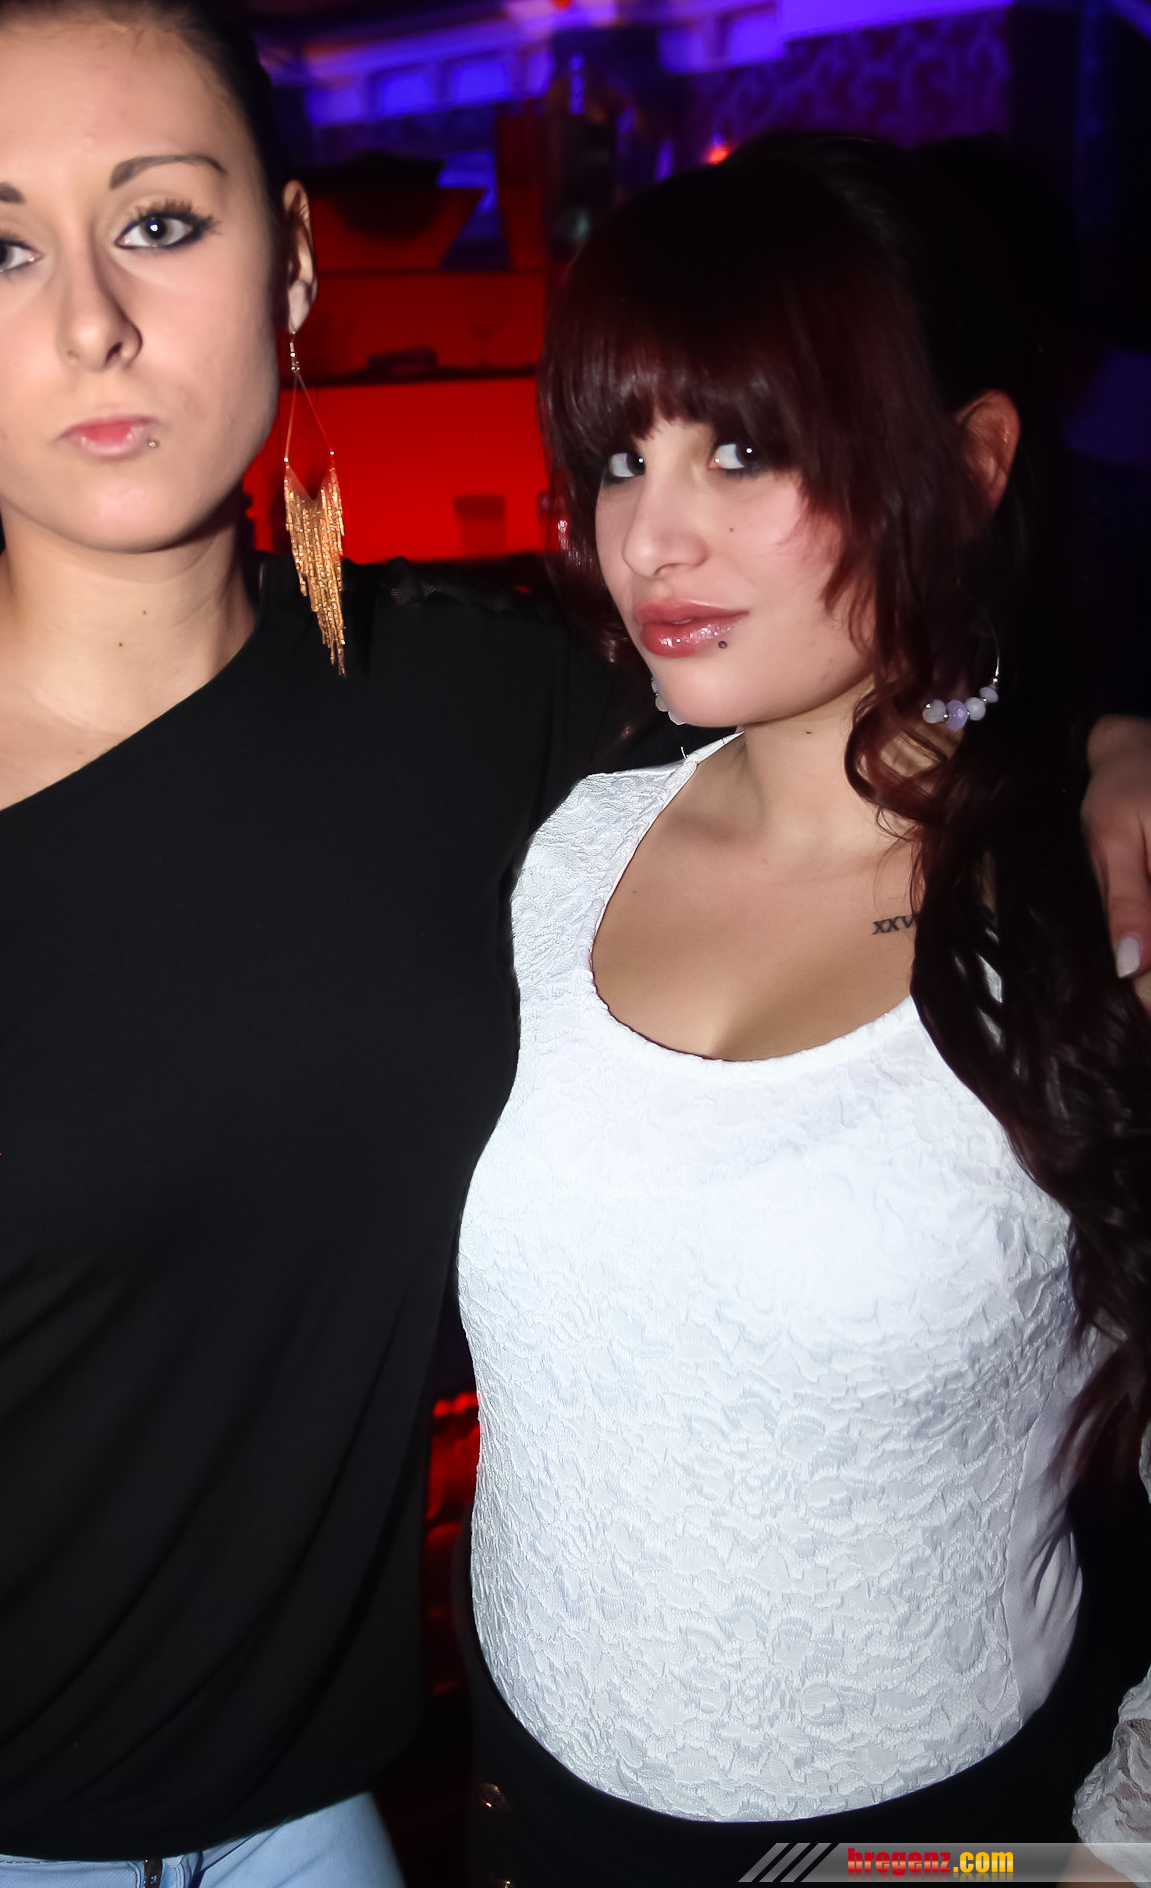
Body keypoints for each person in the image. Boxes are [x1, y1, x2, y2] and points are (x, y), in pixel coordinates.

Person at [0, 0, 1147, 1888]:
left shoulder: (487, 718)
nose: (88, 324)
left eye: (157, 222)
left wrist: (1104, 753)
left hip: (311, 1823)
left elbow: (854, 718)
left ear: (292, 263)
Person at [456, 132, 1151, 1887]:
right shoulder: (565, 852)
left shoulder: (1096, 911)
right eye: (619, 455)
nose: (650, 531)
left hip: (923, 1832)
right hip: (528, 1795)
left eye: (744, 449)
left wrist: (1117, 1851)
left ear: (969, 463)